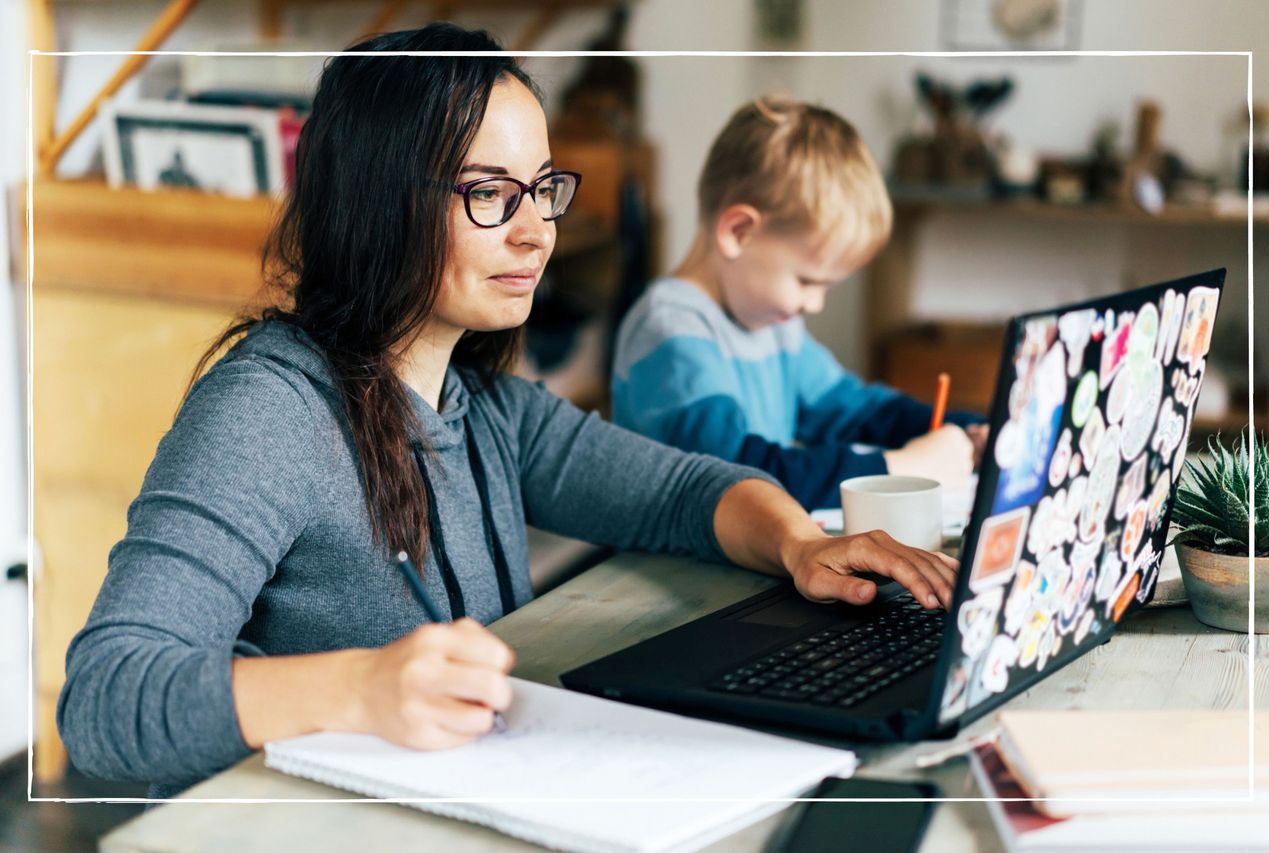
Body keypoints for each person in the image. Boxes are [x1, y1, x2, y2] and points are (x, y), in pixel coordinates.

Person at [56, 25, 958, 799]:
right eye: (490, 194)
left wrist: (799, 542)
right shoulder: (266, 412)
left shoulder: (484, 405)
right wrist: (360, 687)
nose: (535, 231)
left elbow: (681, 491)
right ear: (381, 202)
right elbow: (104, 699)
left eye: (540, 190)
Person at [611, 97, 988, 511]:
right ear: (738, 231)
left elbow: (856, 411)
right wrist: (897, 467)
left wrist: (968, 430)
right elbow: (740, 476)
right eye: (807, 280)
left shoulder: (772, 324)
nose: (815, 304)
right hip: (665, 569)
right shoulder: (671, 330)